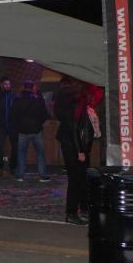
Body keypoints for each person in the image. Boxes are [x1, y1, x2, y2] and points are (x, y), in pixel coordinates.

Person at [54, 76, 87, 225]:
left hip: (70, 142)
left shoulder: (65, 99)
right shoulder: (74, 102)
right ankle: (72, 213)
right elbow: (74, 127)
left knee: (78, 178)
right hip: (72, 144)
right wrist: (79, 150)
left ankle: (79, 210)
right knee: (76, 179)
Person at [11, 80, 50, 182]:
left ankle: (20, 175)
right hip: (36, 130)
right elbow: (45, 115)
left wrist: (18, 126)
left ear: (23, 87)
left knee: (21, 153)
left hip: (22, 131)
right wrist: (38, 123)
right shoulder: (39, 99)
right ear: (33, 88)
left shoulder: (17, 99)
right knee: (40, 153)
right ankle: (42, 175)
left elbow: (13, 115)